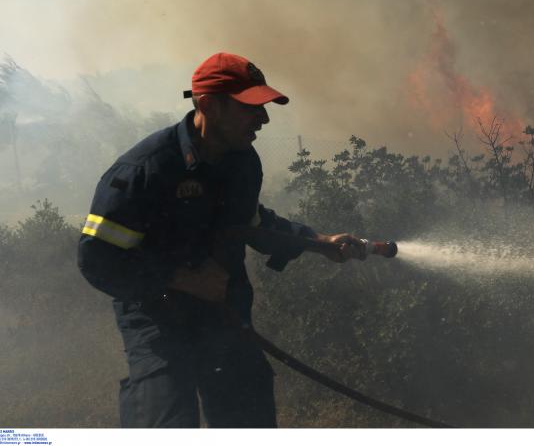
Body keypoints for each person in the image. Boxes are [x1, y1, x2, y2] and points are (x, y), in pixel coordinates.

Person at [78, 52, 365, 428]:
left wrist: (317, 241)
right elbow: (97, 260)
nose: (263, 119)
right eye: (252, 108)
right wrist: (180, 278)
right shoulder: (145, 171)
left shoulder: (242, 162)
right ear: (210, 106)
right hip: (157, 318)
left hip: (223, 315)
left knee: (247, 417)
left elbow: (251, 223)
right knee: (165, 418)